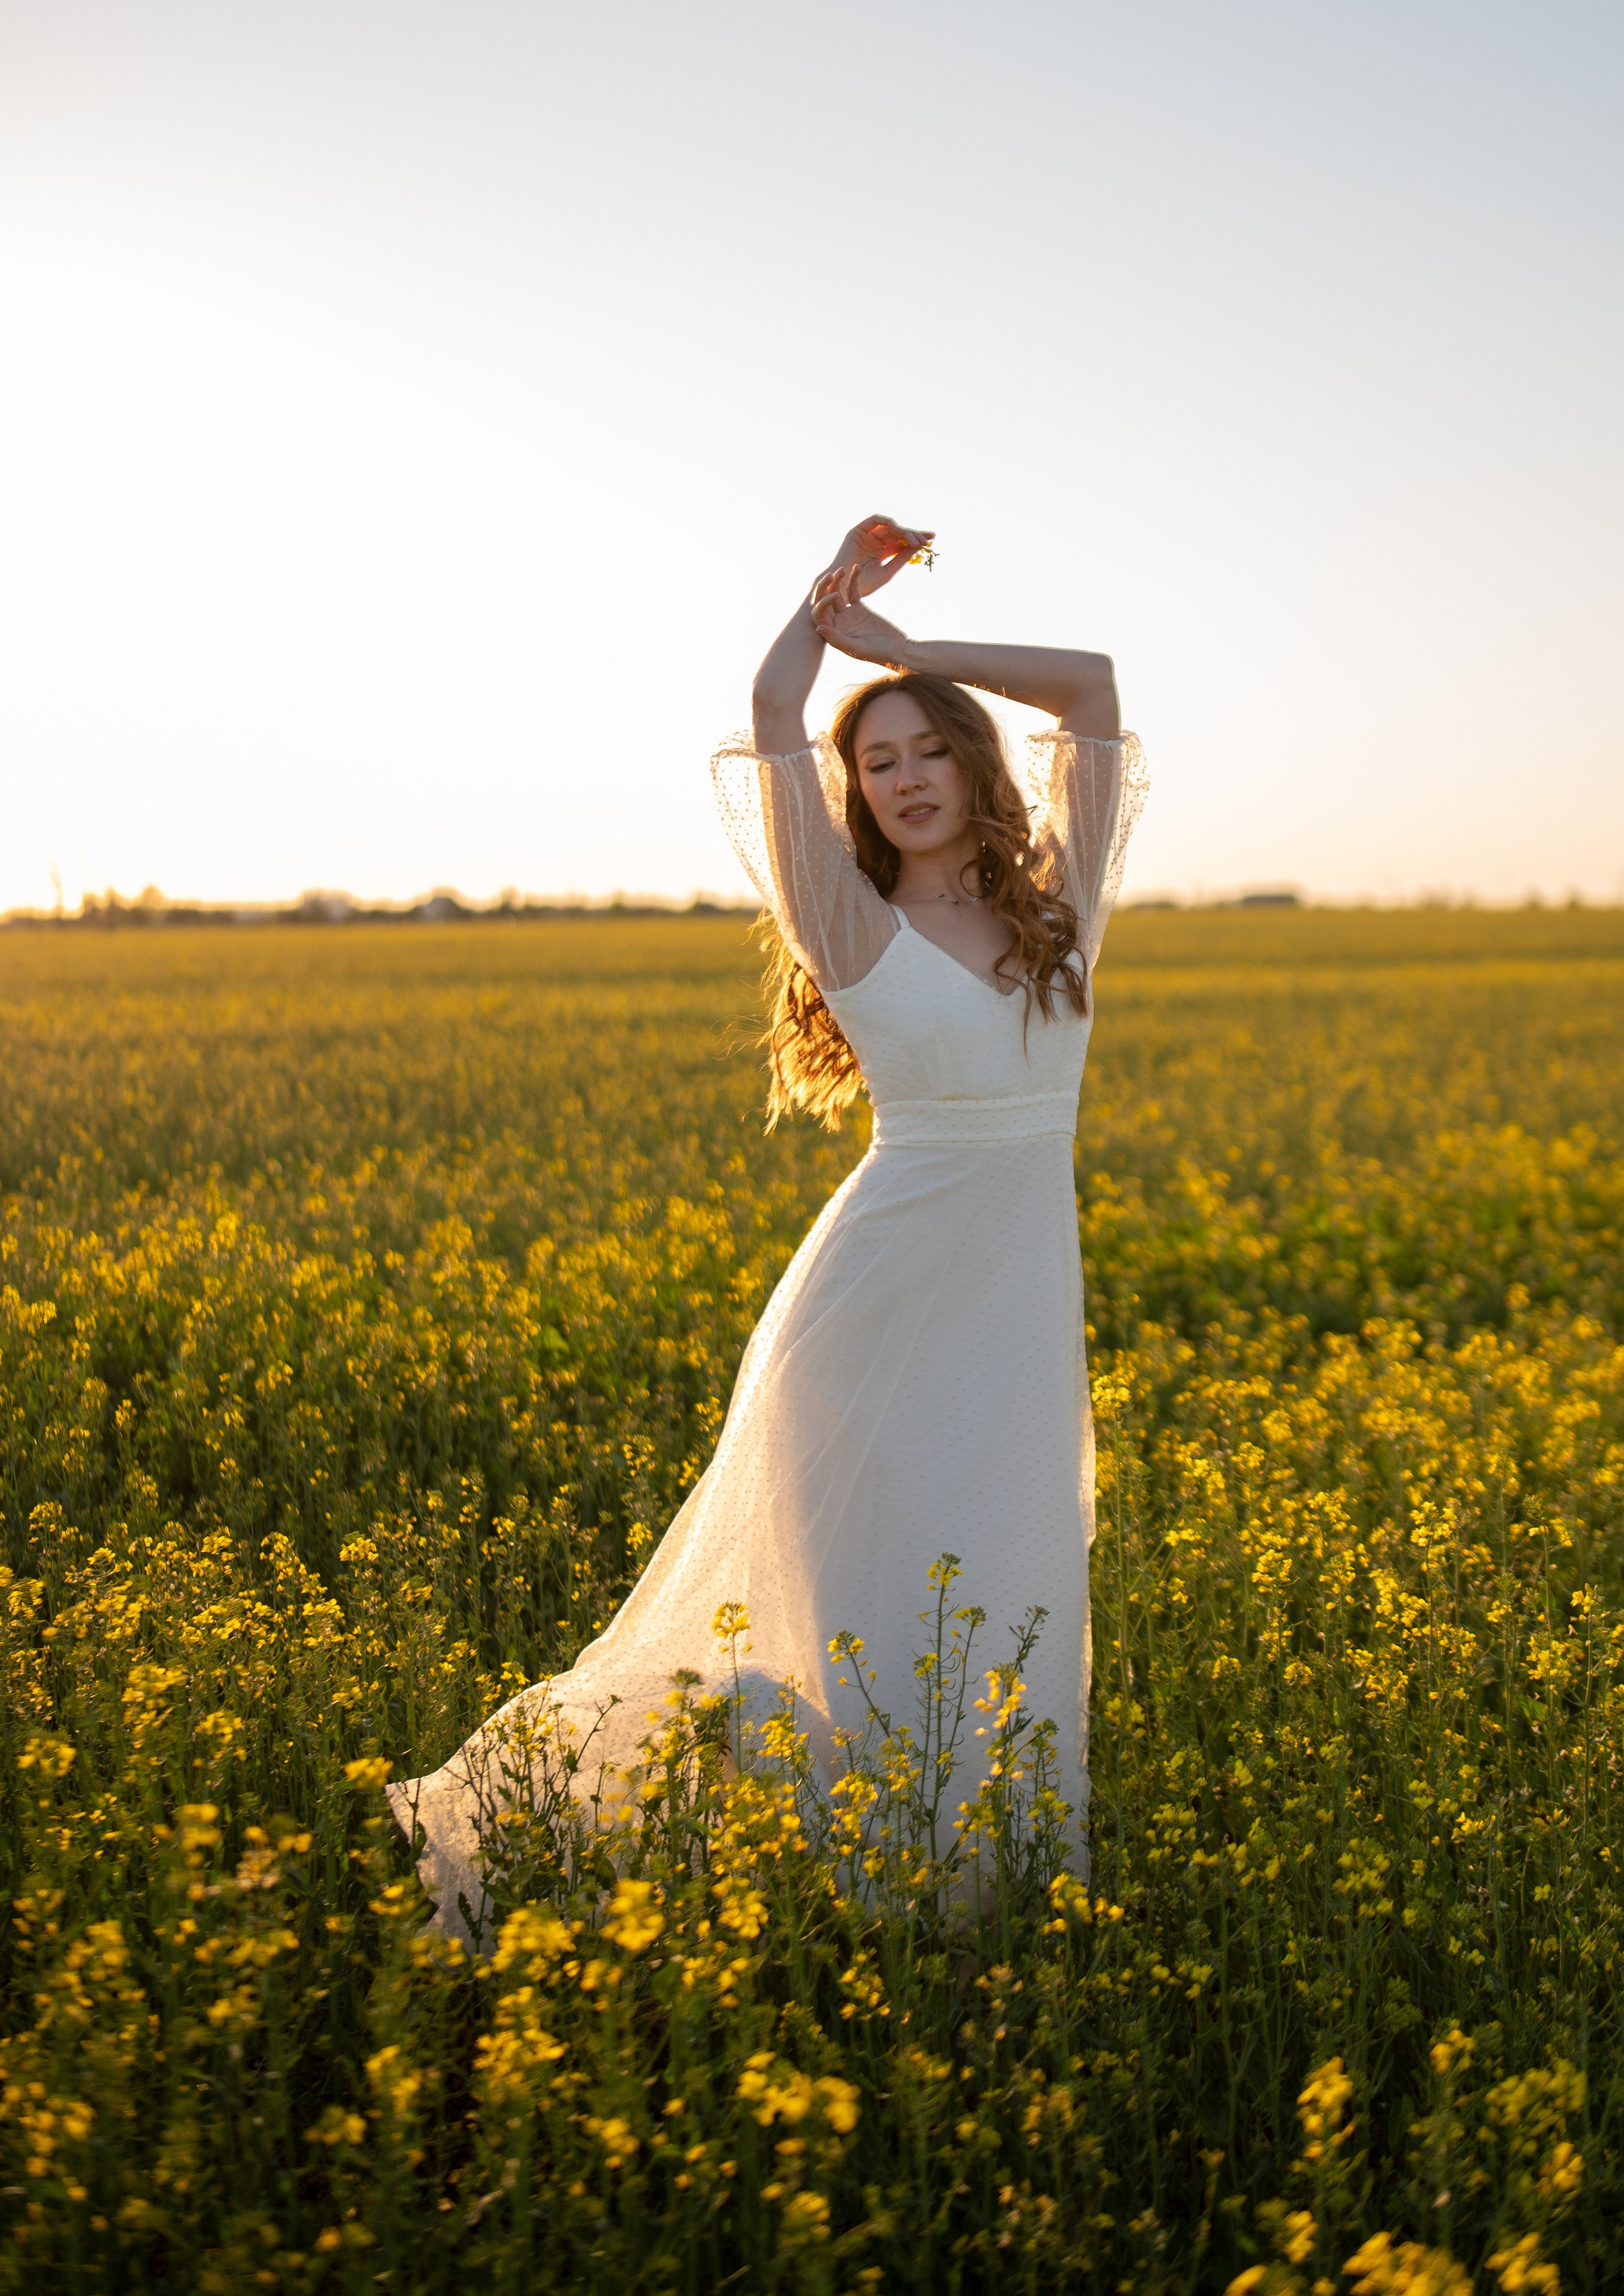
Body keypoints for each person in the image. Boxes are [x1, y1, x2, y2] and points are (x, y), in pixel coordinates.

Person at [388, 515, 1147, 1941]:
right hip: (868, 1322)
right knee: (869, 1621)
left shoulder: (1057, 910)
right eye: (878, 762)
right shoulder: (846, 919)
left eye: (928, 749)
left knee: (1012, 1596)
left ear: (973, 766)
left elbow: (1094, 688)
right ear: (854, 794)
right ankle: (857, 1910)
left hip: (1016, 1323)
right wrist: (821, 614)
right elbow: (767, 716)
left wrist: (912, 651)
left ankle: (983, 1914)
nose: (904, 778)